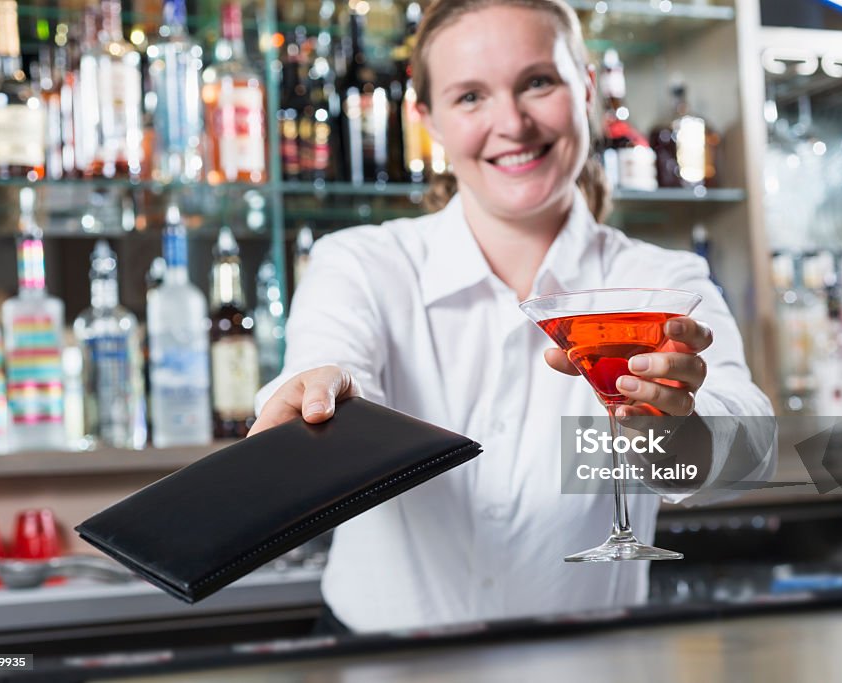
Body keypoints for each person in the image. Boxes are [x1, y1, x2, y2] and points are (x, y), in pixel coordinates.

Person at [252, 0, 773, 634]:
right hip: (381, 667)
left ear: (585, 90)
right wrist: (322, 395)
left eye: (537, 82)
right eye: (470, 97)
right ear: (429, 121)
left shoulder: (661, 283)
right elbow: (327, 359)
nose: (512, 123)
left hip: (587, 668)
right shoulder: (361, 263)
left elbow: (747, 447)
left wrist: (674, 435)